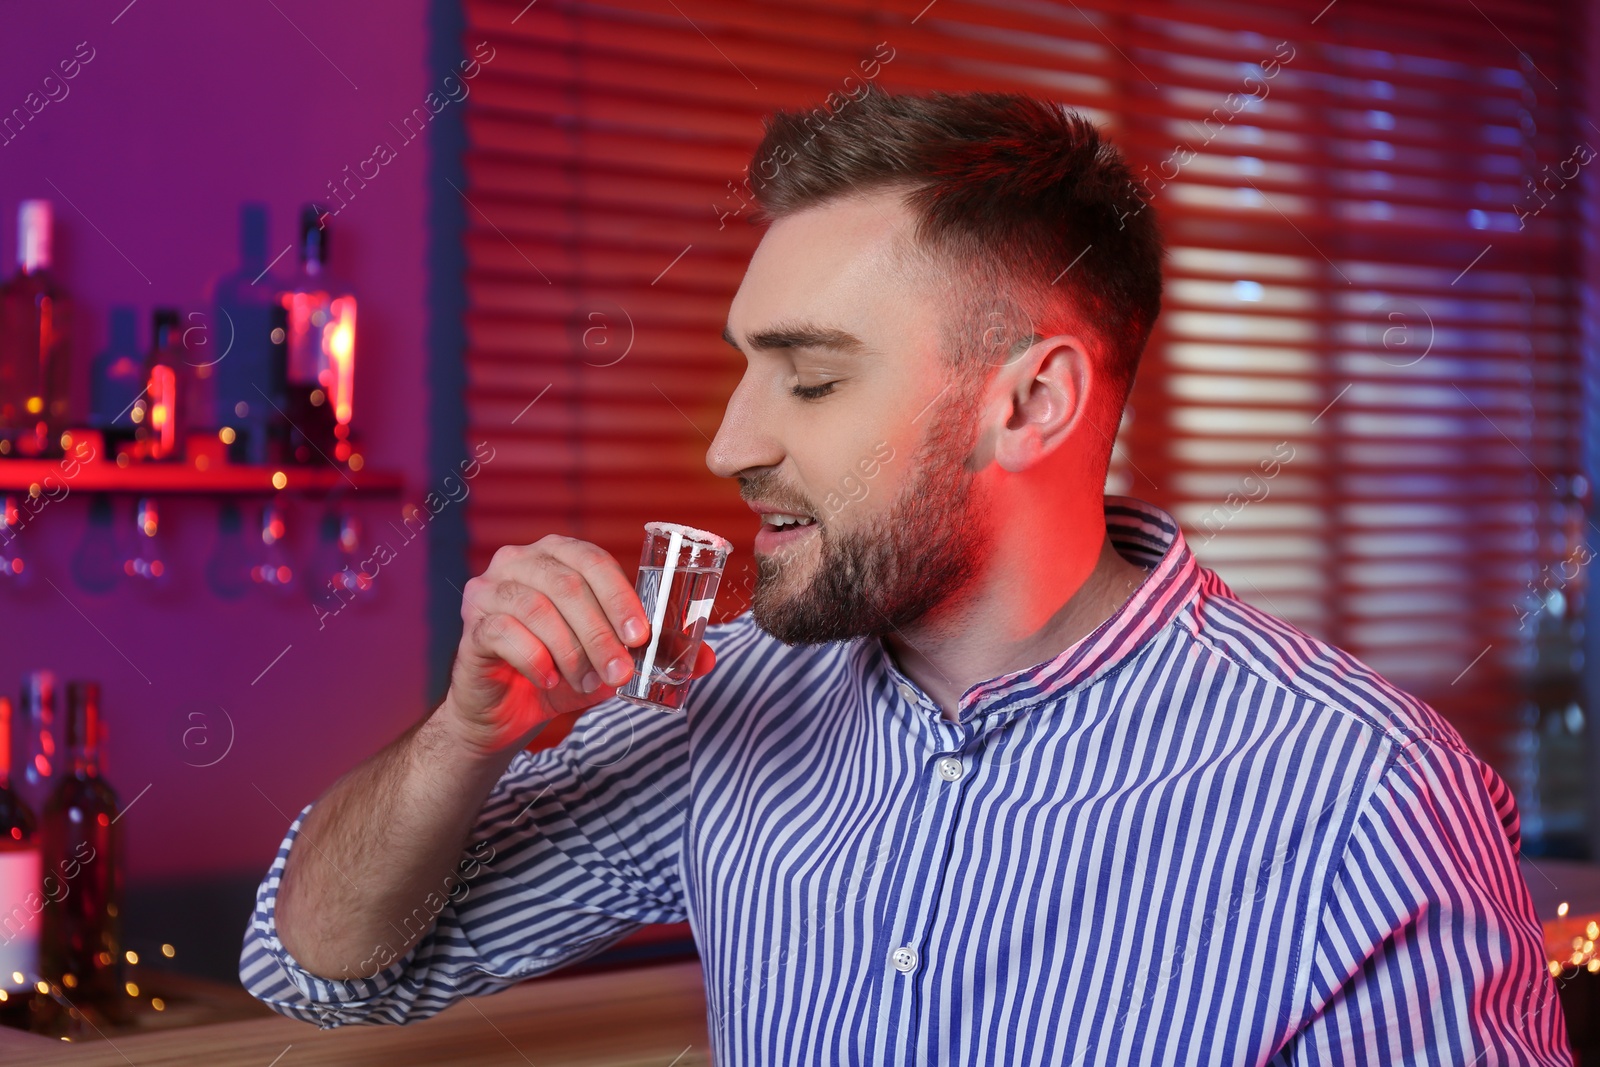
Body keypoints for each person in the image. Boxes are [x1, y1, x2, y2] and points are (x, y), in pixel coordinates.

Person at [240, 85, 1572, 1065]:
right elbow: (328, 972)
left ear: (1032, 404)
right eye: (745, 368)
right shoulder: (739, 700)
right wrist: (465, 739)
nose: (728, 443)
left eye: (812, 376)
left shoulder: (1365, 798)